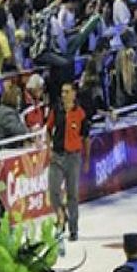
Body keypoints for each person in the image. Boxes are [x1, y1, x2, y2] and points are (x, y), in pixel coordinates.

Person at [47, 81, 89, 242]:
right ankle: (61, 214)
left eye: (66, 92)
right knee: (53, 191)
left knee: (73, 194)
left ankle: (73, 228)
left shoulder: (80, 113)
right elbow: (48, 129)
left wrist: (86, 159)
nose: (63, 95)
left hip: (73, 157)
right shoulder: (56, 110)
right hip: (57, 156)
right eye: (62, 92)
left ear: (73, 94)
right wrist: (48, 148)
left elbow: (86, 137)